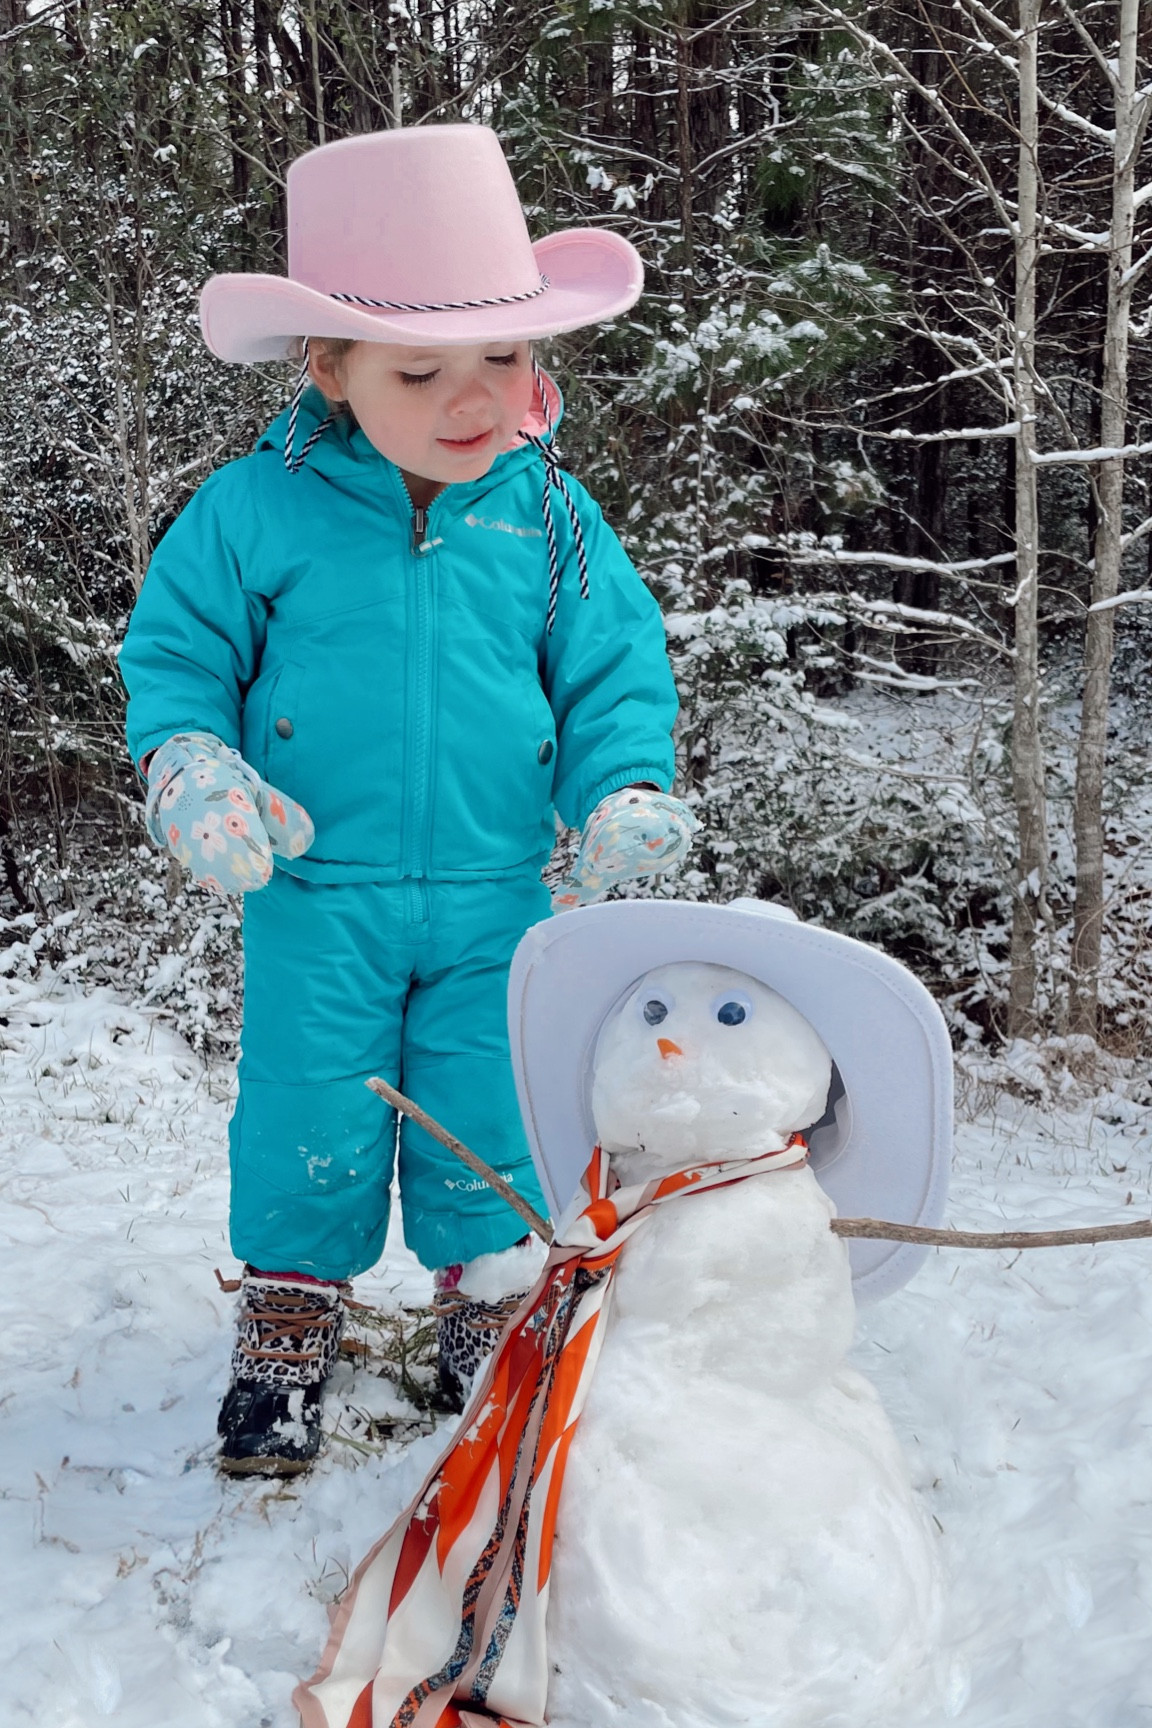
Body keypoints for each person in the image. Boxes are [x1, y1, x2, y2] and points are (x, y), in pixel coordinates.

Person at [119, 123, 695, 1476]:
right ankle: (290, 1319)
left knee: (485, 1107)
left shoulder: (548, 518)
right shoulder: (255, 511)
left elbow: (612, 669)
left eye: (503, 357)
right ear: (330, 368)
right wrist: (193, 766)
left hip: (504, 890)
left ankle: (484, 1307)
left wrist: (620, 784)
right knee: (308, 1107)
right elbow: (178, 659)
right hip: (317, 894)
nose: (474, 397)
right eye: (423, 369)